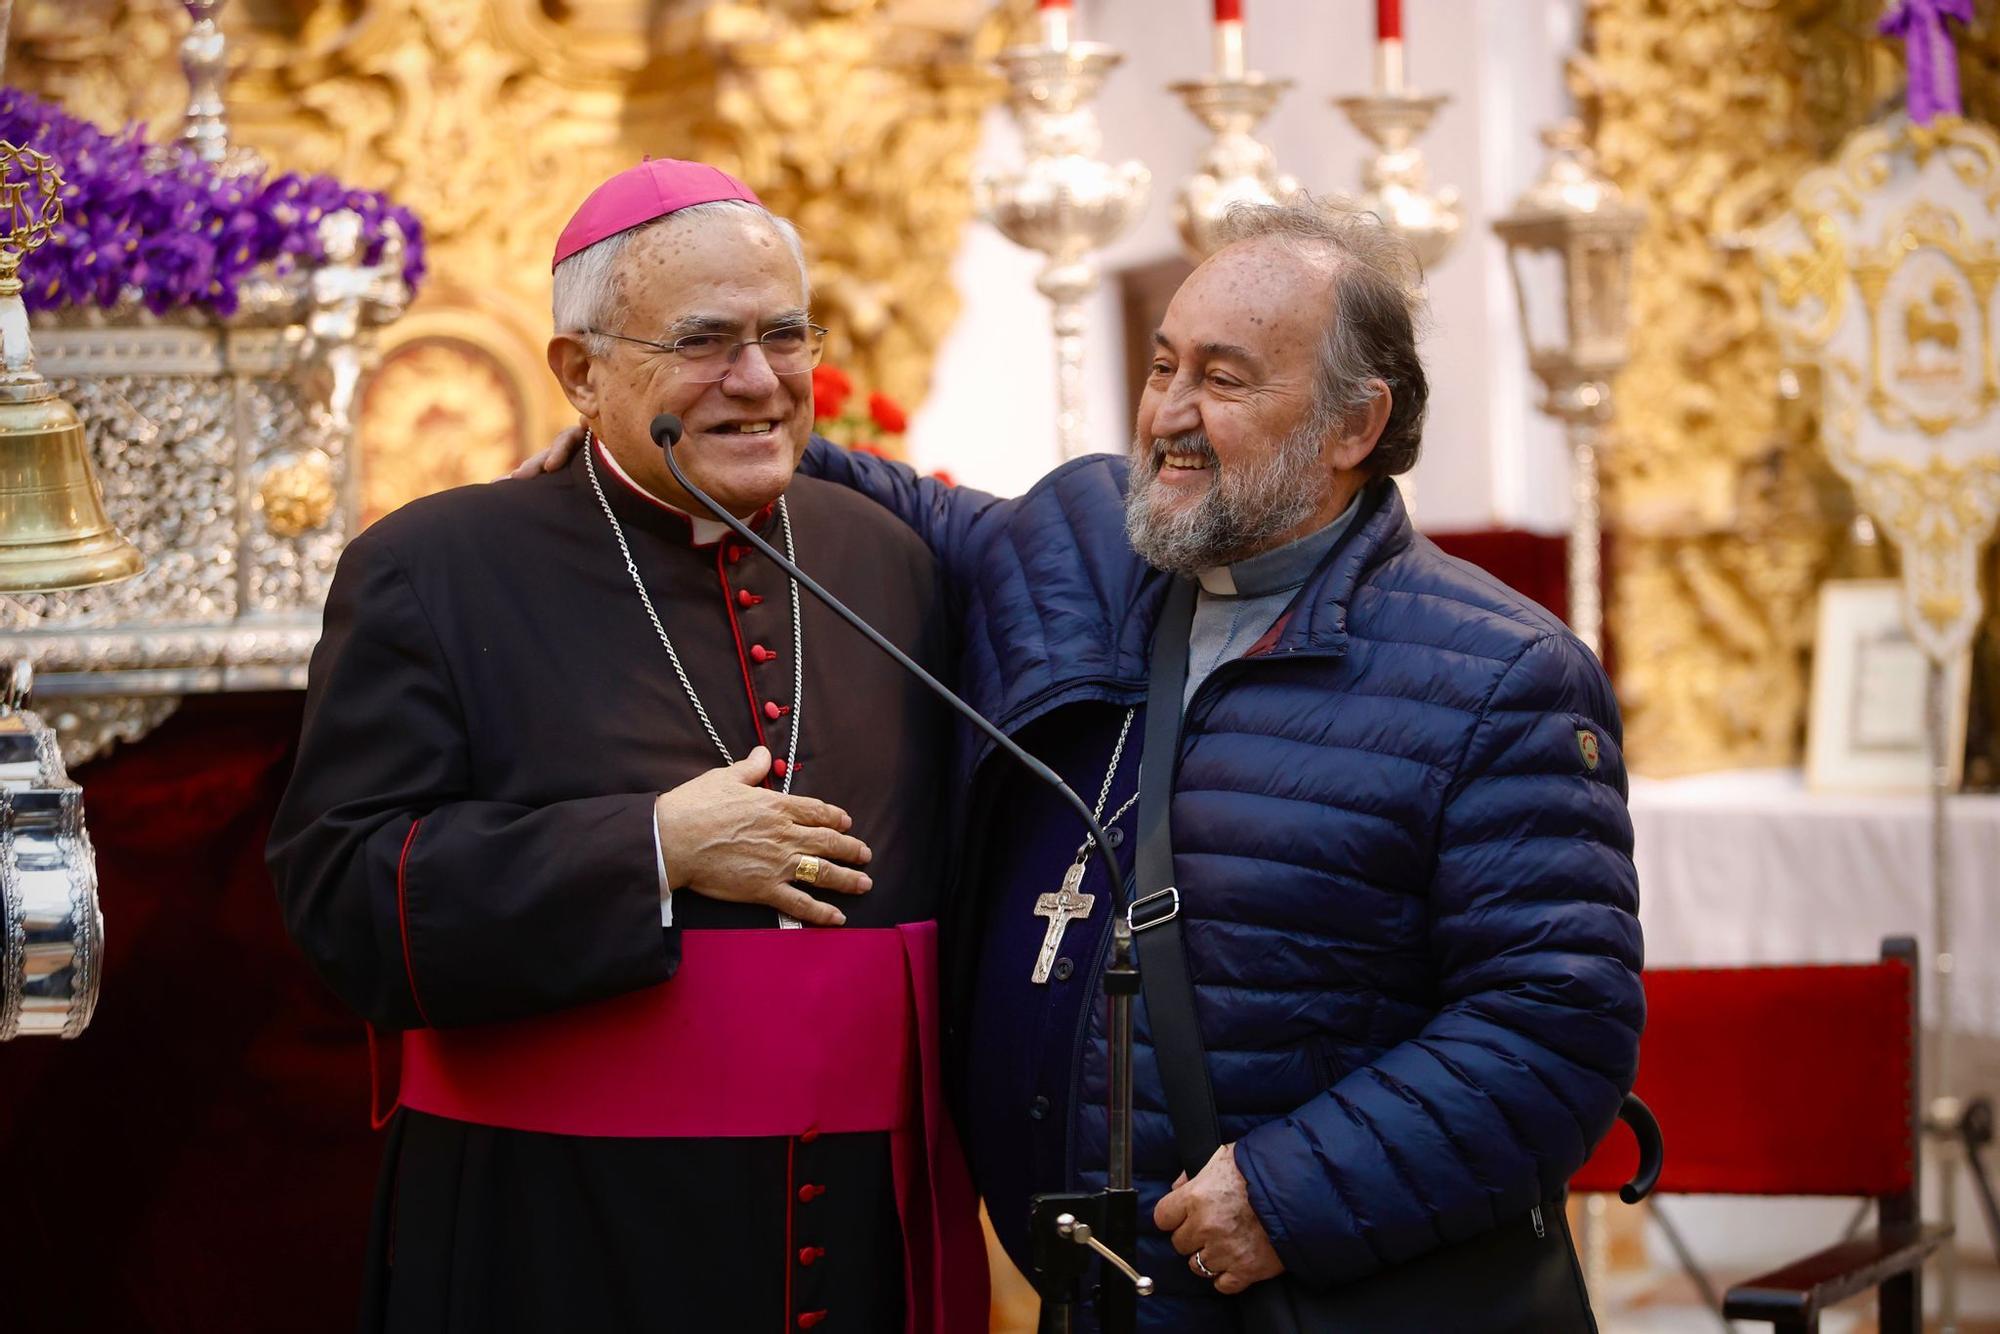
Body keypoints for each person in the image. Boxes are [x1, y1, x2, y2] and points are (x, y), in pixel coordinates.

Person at [524, 198, 1643, 1330]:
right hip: (1104, 1299)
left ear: (1354, 424)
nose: (1170, 415)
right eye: (1163, 367)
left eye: (1225, 378)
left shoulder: (1501, 674)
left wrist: (1285, 1196)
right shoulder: (1085, 546)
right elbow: (905, 505)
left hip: (1337, 1296)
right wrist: (664, 424)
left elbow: (1553, 1026)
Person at [269, 159, 986, 1334]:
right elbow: (340, 891)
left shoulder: (889, 560)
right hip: (555, 1232)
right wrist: (649, 846)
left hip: (854, 1233)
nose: (756, 381)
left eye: (785, 335)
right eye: (704, 342)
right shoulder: (433, 570)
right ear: (580, 370)